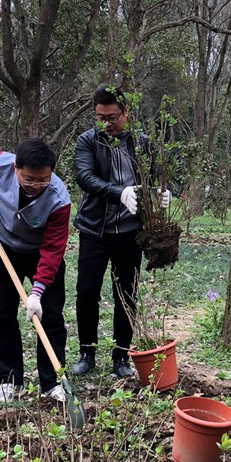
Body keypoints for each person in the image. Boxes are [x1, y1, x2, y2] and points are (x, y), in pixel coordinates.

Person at [0, 139, 72, 403]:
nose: (35, 186)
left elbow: (53, 248)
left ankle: (52, 382)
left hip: (39, 253)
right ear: (16, 169)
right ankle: (9, 380)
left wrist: (37, 292)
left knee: (51, 317)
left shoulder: (59, 199)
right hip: (3, 245)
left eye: (43, 180)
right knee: (2, 313)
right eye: (29, 179)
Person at [70, 84, 167, 379]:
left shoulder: (143, 143)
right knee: (87, 292)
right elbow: (84, 177)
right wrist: (118, 192)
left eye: (112, 117)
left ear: (127, 112)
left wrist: (163, 194)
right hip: (94, 229)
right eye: (100, 117)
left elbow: (156, 175)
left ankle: (121, 355)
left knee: (126, 292)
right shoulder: (88, 141)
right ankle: (87, 352)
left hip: (130, 232)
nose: (106, 124)